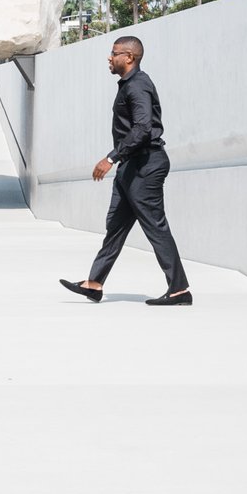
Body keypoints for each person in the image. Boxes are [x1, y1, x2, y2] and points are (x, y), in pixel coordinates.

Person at [61, 35, 193, 306]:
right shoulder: (128, 85)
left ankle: (179, 289)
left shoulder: (138, 86)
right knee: (116, 227)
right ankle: (95, 283)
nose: (110, 58)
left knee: (155, 226)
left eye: (114, 53)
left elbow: (143, 128)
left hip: (145, 164)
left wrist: (110, 157)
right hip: (131, 166)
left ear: (129, 57)